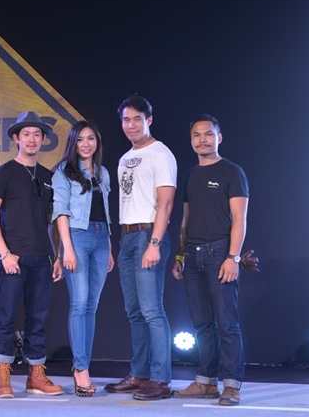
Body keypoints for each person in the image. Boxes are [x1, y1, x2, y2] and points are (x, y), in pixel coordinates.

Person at [0, 111, 64, 399]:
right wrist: (5, 254)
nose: (32, 139)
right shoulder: (4, 173)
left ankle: (36, 376)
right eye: (26, 134)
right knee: (6, 317)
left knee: (38, 319)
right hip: (13, 258)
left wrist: (56, 255)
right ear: (17, 138)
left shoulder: (48, 177)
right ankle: (2, 376)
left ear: (43, 139)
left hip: (42, 259)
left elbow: (54, 220)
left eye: (37, 134)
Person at [170, 114, 250, 406]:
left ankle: (231, 385)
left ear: (219, 137)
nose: (202, 140)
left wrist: (233, 257)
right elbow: (185, 220)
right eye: (196, 135)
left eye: (208, 134)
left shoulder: (232, 172)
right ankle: (205, 382)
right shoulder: (190, 175)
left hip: (220, 254)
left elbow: (240, 218)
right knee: (202, 324)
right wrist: (179, 255)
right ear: (191, 139)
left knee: (227, 324)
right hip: (192, 257)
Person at [105, 94, 177, 400]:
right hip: (128, 237)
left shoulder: (161, 154)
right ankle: (140, 374)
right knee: (134, 312)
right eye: (126, 119)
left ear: (149, 120)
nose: (131, 125)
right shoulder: (124, 158)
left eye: (137, 119)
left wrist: (155, 244)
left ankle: (161, 380)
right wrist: (122, 244)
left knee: (152, 311)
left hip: (149, 236)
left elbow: (166, 203)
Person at [52, 121, 114, 397]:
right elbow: (60, 211)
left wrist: (109, 247)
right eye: (80, 139)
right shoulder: (64, 171)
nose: (86, 144)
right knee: (79, 303)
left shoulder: (104, 173)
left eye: (91, 138)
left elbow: (106, 213)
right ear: (73, 143)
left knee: (92, 306)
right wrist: (66, 248)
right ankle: (80, 370)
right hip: (77, 236)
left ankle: (83, 366)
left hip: (101, 238)